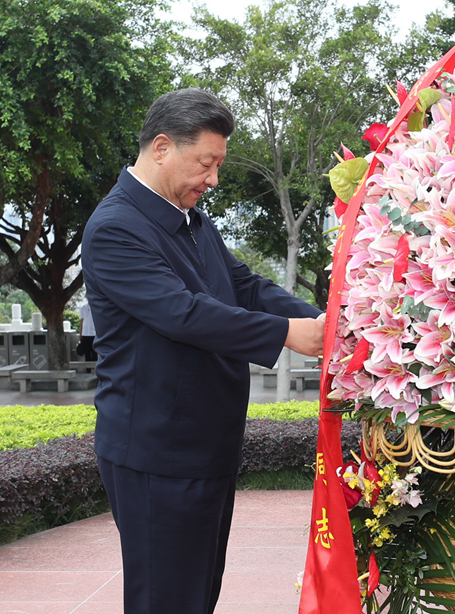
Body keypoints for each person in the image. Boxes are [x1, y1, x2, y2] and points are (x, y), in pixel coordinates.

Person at [82, 88, 325, 614]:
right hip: (158, 453)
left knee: (195, 594)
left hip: (204, 443)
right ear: (163, 147)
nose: (213, 179)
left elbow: (241, 284)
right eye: (207, 163)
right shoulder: (115, 228)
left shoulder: (189, 218)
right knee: (164, 600)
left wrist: (321, 320)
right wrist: (287, 333)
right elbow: (183, 313)